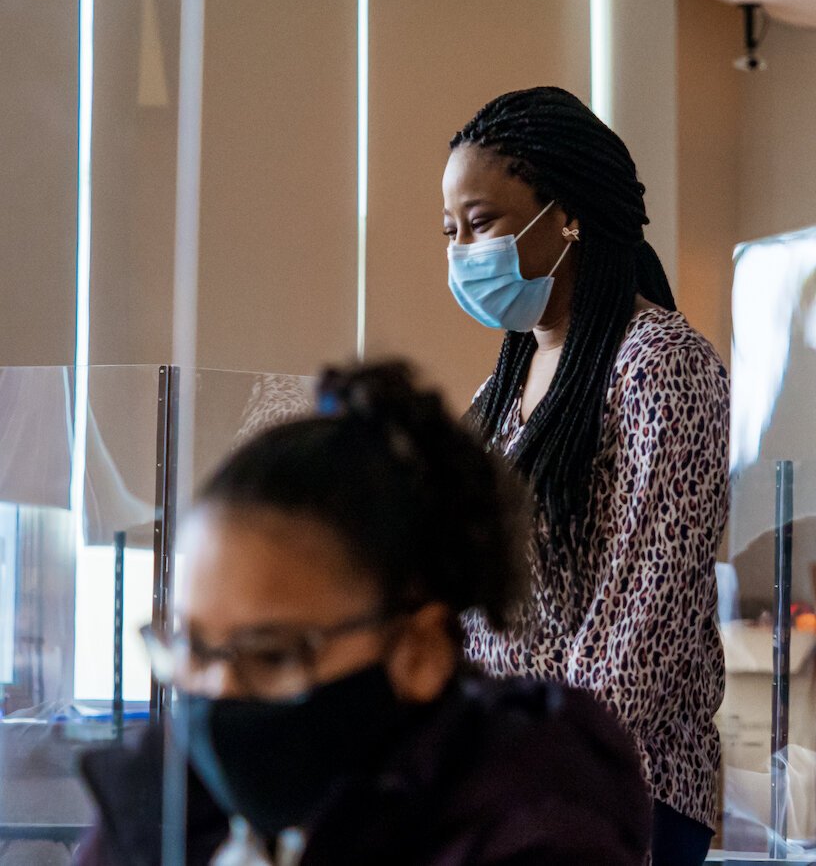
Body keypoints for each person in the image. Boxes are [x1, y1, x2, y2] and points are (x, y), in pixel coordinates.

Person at [75, 362, 651, 866]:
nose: (220, 690)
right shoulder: (159, 806)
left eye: (272, 654)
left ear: (420, 651)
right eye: (193, 648)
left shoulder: (530, 829)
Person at [443, 87, 728, 865]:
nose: (462, 249)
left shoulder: (661, 363)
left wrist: (547, 777)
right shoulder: (499, 389)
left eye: (482, 222)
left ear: (564, 215)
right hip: (506, 789)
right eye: (450, 230)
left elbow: (645, 613)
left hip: (619, 792)